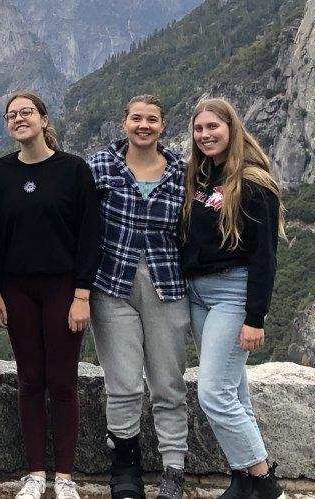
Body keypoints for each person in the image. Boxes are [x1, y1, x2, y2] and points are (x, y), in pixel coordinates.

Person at [0, 92, 101, 499]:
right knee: (30, 380)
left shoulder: (73, 170)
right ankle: (35, 473)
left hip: (63, 287)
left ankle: (64, 478)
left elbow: (90, 235)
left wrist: (82, 294)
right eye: (12, 115)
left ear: (44, 119)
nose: (19, 119)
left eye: (26, 112)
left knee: (63, 381)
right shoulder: (0, 173)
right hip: (16, 288)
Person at [181, 98, 287, 499]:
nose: (206, 135)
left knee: (213, 393)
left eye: (213, 127)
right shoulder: (204, 178)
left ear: (232, 128)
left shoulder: (253, 181)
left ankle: (262, 478)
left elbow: (264, 257)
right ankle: (243, 477)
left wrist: (255, 316)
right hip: (197, 293)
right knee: (234, 390)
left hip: (232, 293)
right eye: (199, 129)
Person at [88, 95, 189, 499]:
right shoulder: (100, 166)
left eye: (152, 119)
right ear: (124, 123)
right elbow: (79, 223)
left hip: (167, 285)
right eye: (136, 118)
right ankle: (125, 467)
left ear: (163, 125)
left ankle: (173, 469)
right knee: (124, 384)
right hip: (112, 286)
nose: (143, 125)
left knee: (168, 383)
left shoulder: (183, 171)